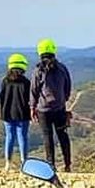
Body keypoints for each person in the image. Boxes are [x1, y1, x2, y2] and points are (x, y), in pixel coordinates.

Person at [30, 38, 73, 171]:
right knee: (63, 135)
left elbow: (34, 90)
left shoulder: (38, 70)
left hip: (44, 110)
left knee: (47, 137)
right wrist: (63, 99)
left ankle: (51, 165)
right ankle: (67, 164)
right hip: (59, 108)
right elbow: (68, 86)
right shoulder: (62, 68)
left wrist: (32, 107)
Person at [0, 53, 31, 171]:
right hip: (22, 114)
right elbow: (29, 99)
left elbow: (1, 97)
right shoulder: (26, 82)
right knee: (23, 137)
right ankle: (24, 163)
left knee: (9, 137)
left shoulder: (5, 81)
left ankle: (8, 163)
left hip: (7, 114)